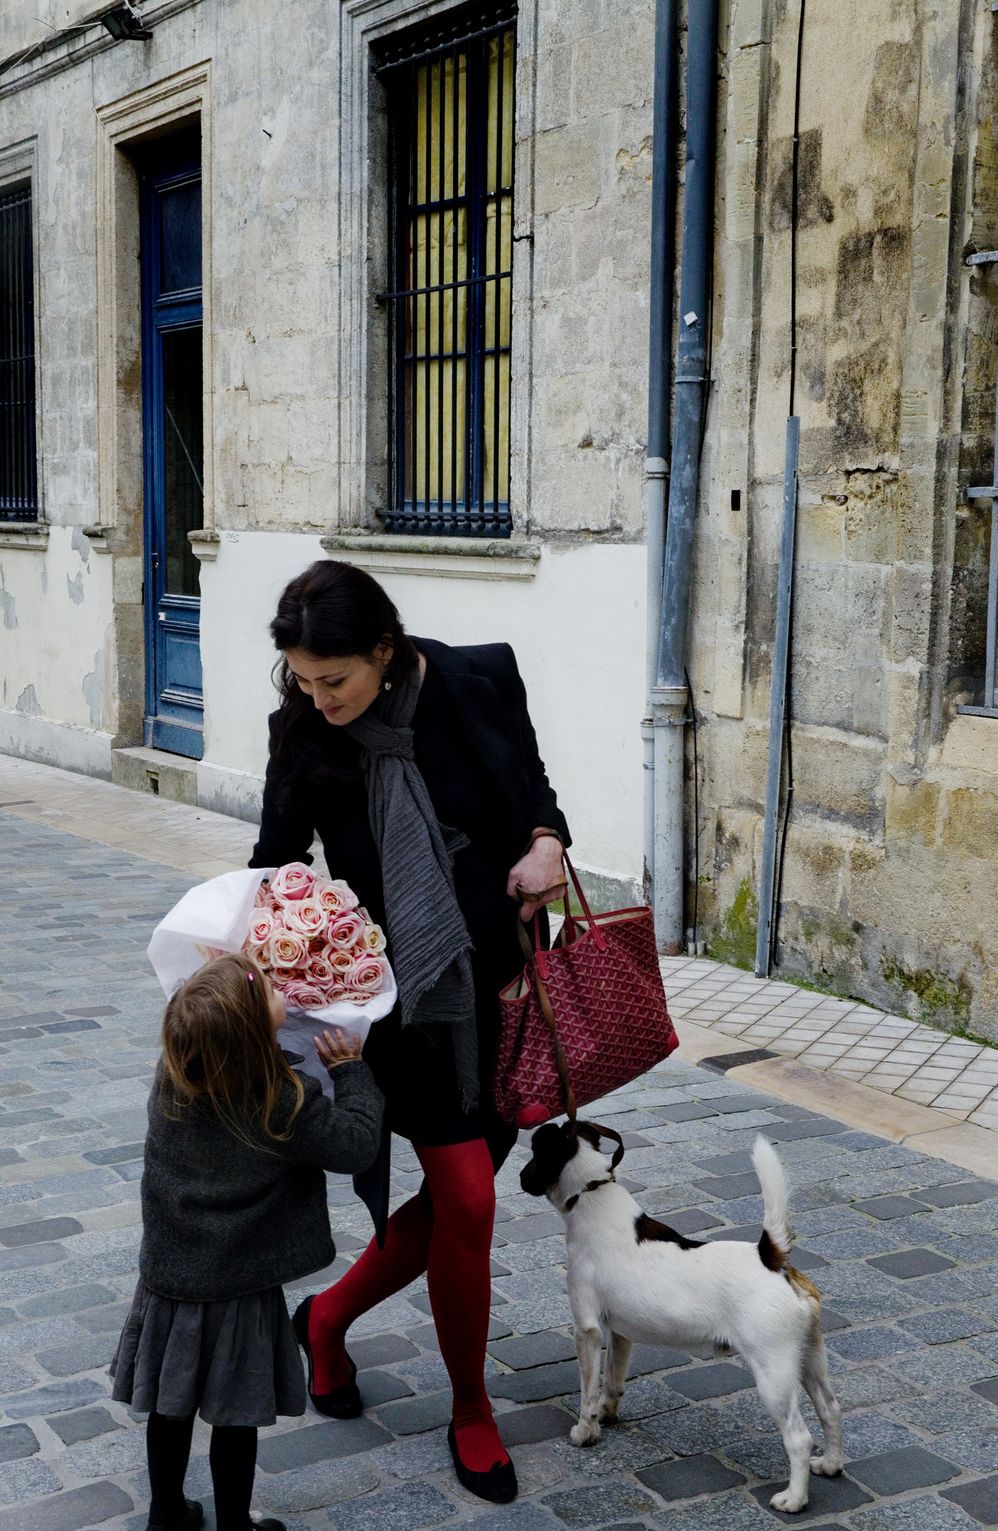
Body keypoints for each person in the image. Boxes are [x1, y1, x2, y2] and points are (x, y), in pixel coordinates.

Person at [249, 559, 570, 1505]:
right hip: (401, 1001)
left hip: (502, 984)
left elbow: (537, 794)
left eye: (335, 679)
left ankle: (329, 1320)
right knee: (469, 1197)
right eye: (303, 680)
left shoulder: (478, 679)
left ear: (384, 650)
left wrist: (550, 842)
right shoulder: (302, 733)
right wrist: (272, 954)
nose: (319, 697)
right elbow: (275, 864)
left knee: (453, 1201)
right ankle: (472, 1408)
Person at [110, 953, 383, 1531]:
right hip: (239, 1282)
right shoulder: (280, 1100)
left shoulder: (177, 1069)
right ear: (257, 1033)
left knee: (170, 1403)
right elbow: (356, 1144)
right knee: (236, 1415)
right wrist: (352, 1071)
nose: (280, 989)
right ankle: (235, 1523)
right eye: (268, 993)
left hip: (172, 1278)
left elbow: (210, 1015)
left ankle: (165, 1516)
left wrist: (229, 980)